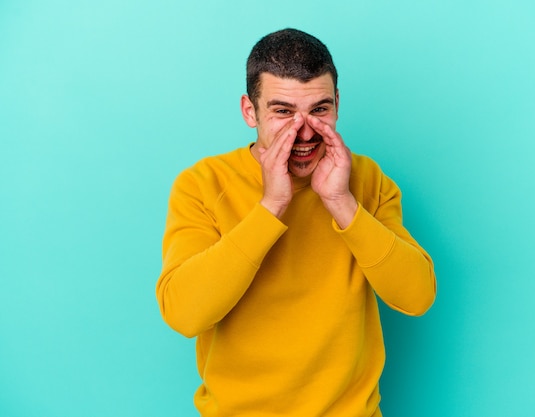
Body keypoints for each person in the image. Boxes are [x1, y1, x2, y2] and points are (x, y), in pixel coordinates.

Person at [156, 28, 436, 417]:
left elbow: (416, 296)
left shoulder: (367, 180)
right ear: (249, 110)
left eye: (319, 110)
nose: (304, 132)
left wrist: (341, 202)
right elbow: (185, 314)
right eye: (283, 112)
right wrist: (271, 206)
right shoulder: (203, 185)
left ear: (337, 103)